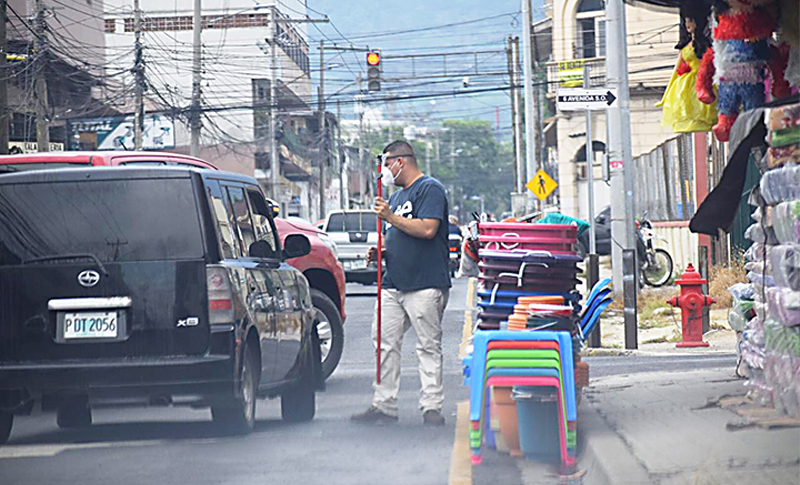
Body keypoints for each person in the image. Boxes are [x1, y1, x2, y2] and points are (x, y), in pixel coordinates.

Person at [351, 140, 451, 426]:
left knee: (428, 346)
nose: (384, 171)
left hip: (425, 282)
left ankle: (431, 406)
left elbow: (429, 229)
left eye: (386, 164)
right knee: (383, 342)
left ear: (400, 162)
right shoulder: (394, 198)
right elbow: (400, 233)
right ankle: (384, 404)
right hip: (393, 283)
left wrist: (391, 217)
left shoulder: (429, 189)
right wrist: (382, 251)